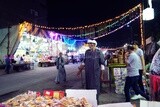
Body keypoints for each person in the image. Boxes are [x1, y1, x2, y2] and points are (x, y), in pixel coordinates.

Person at [77, 39, 105, 104]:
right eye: (90, 44)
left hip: (96, 74)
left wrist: (102, 75)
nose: (91, 45)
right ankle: (89, 103)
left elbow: (102, 64)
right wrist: (79, 71)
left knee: (96, 88)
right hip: (88, 74)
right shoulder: (87, 52)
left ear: (95, 45)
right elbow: (84, 62)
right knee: (88, 88)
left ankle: (96, 102)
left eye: (92, 44)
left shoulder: (99, 52)